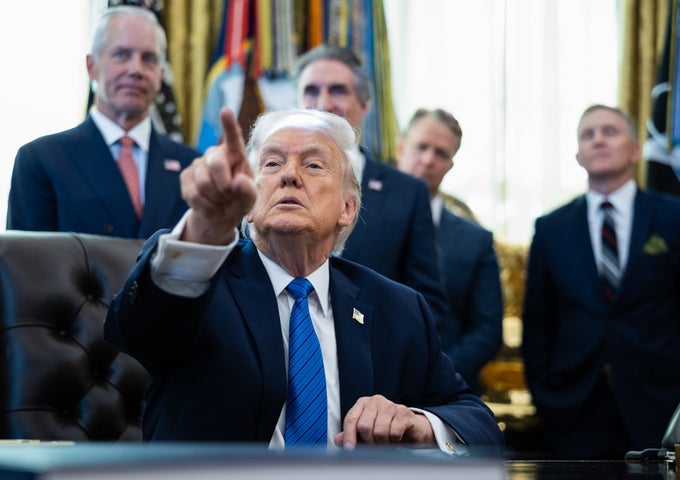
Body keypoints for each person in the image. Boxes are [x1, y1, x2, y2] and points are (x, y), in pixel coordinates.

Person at [103, 107, 504, 452]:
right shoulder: (198, 275)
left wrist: (417, 423)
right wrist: (204, 228)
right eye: (272, 164)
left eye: (313, 165)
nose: (289, 175)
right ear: (248, 203)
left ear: (347, 209)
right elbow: (138, 333)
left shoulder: (397, 308)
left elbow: (476, 421)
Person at [521, 104, 680, 459]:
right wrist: (548, 399)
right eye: (587, 134)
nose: (598, 139)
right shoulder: (550, 229)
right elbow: (537, 325)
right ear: (578, 156)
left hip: (661, 408)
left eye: (610, 131)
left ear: (635, 150)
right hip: (574, 411)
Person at [6, 6, 199, 238]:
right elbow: (24, 267)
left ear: (161, 73)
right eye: (121, 55)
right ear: (91, 66)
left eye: (148, 58)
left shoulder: (193, 166)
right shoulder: (41, 160)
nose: (136, 69)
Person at [291, 45, 448, 326]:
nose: (323, 102)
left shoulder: (407, 193)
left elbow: (427, 304)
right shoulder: (270, 180)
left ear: (364, 105)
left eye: (338, 90)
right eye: (311, 90)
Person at [394, 108, 503, 394]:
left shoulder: (475, 240)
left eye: (441, 153)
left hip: (445, 391)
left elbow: (487, 330)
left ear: (450, 165)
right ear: (400, 149)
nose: (428, 159)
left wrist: (437, 373)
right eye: (421, 147)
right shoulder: (356, 219)